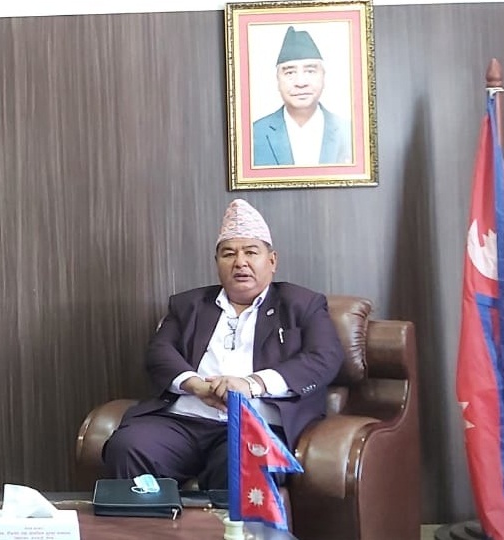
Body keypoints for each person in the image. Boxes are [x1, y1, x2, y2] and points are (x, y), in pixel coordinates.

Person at [102, 199, 344, 490]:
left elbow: (324, 357)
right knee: (128, 447)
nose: (240, 262)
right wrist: (196, 386)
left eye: (251, 252)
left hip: (255, 423)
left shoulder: (302, 304)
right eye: (229, 254)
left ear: (272, 261)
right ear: (217, 263)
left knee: (241, 461)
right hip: (184, 420)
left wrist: (252, 384)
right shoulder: (189, 305)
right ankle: (143, 521)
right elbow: (160, 353)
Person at [252, 26, 352, 167]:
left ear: (323, 77)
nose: (300, 82)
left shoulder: (349, 131)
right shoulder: (254, 134)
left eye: (310, 71)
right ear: (277, 80)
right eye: (290, 73)